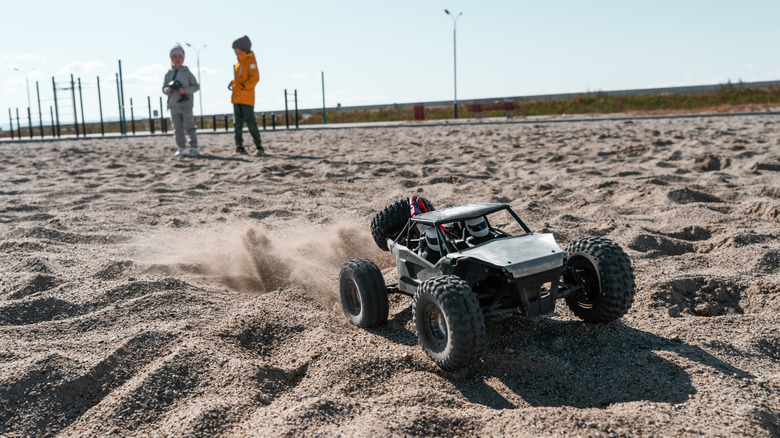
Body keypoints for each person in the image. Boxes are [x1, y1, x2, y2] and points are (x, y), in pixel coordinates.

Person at [228, 35, 264, 155]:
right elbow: (239, 80)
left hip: (246, 98)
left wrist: (244, 88)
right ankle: (239, 147)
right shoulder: (238, 64)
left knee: (250, 122)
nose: (234, 51)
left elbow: (255, 78)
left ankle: (259, 146)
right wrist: (233, 84)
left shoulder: (250, 60)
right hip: (236, 98)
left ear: (242, 48)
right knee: (237, 123)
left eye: (236, 48)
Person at [162, 43, 200, 158]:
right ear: (171, 58)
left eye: (180, 56)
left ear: (183, 58)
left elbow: (196, 86)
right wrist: (168, 89)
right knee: (177, 129)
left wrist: (186, 90)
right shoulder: (168, 74)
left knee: (190, 126)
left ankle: (193, 148)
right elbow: (163, 88)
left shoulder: (187, 73)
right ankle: (181, 148)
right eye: (175, 56)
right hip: (173, 105)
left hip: (186, 105)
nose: (177, 59)